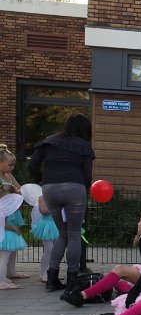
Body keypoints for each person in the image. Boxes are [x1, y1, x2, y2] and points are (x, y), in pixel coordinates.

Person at [27, 113, 95, 291]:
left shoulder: (49, 141)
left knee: (62, 234)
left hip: (50, 189)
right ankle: (73, 278)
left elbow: (32, 165)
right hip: (74, 188)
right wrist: (82, 188)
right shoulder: (84, 145)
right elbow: (87, 175)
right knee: (73, 234)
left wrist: (43, 180)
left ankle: (51, 279)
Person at [61, 211, 141, 306]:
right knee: (117, 280)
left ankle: (82, 296)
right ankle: (135, 292)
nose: (138, 223)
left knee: (119, 270)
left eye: (140, 221)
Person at [0, 146, 27, 290]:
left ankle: (10, 272)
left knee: (12, 245)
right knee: (5, 246)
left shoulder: (8, 175)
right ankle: (2, 278)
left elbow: (18, 188)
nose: (12, 167)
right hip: (5, 214)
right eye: (9, 164)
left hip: (12, 212)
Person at [29, 194, 58, 284]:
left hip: (57, 225)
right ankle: (44, 273)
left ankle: (53, 273)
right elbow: (43, 211)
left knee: (57, 250)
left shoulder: (58, 195)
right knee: (48, 250)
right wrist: (56, 207)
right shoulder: (42, 197)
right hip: (47, 225)